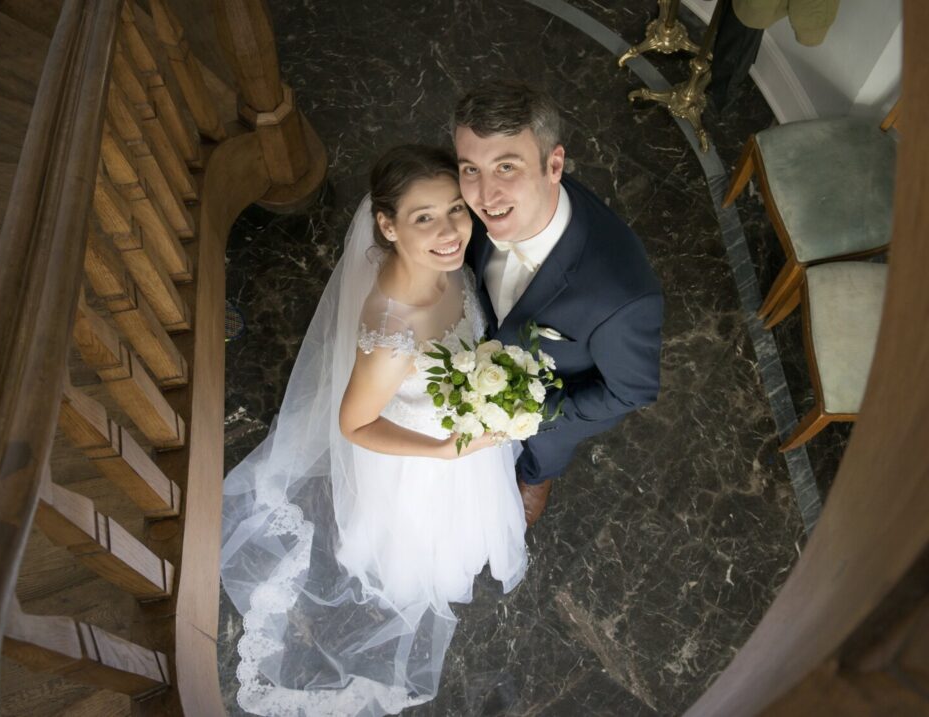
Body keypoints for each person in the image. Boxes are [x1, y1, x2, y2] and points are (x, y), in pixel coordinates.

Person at [220, 145, 527, 717]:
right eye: (423, 217)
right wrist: (442, 449)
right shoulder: (392, 328)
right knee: (425, 539)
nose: (450, 231)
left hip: (457, 429)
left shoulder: (446, 264)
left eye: (455, 209)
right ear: (387, 226)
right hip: (422, 455)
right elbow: (356, 424)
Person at [453, 80, 663, 528]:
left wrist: (535, 416)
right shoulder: (471, 207)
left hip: (551, 400)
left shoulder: (622, 298)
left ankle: (537, 475)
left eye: (506, 167)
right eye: (471, 169)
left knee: (546, 448)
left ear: (554, 165)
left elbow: (632, 390)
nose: (485, 197)